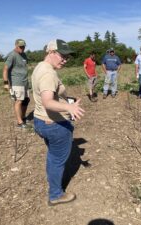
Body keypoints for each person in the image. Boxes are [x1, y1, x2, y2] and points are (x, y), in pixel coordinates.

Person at [32, 39, 85, 205]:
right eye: (62, 55)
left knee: (53, 156)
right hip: (53, 124)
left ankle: (53, 182)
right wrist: (69, 109)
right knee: (57, 159)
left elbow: (48, 95)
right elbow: (48, 101)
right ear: (51, 52)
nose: (65, 59)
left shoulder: (41, 67)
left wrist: (67, 101)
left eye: (67, 57)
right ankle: (55, 194)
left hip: (41, 121)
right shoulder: (48, 73)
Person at [3, 39, 30, 128]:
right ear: (16, 45)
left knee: (26, 100)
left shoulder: (24, 55)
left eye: (24, 46)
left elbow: (24, 66)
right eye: (20, 46)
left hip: (25, 82)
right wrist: (6, 83)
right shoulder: (12, 55)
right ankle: (19, 122)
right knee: (19, 101)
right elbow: (5, 69)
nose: (22, 48)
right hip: (16, 82)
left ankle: (23, 117)